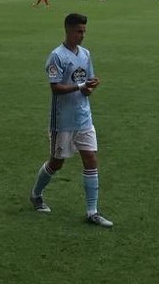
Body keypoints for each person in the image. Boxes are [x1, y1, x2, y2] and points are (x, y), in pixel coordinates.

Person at [29, 12, 112, 228]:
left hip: (84, 117)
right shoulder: (56, 56)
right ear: (67, 30)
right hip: (62, 121)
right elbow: (56, 89)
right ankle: (36, 194)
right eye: (78, 31)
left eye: (84, 31)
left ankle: (92, 211)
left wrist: (90, 88)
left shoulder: (85, 54)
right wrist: (81, 87)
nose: (82, 35)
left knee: (91, 159)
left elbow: (86, 85)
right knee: (57, 163)